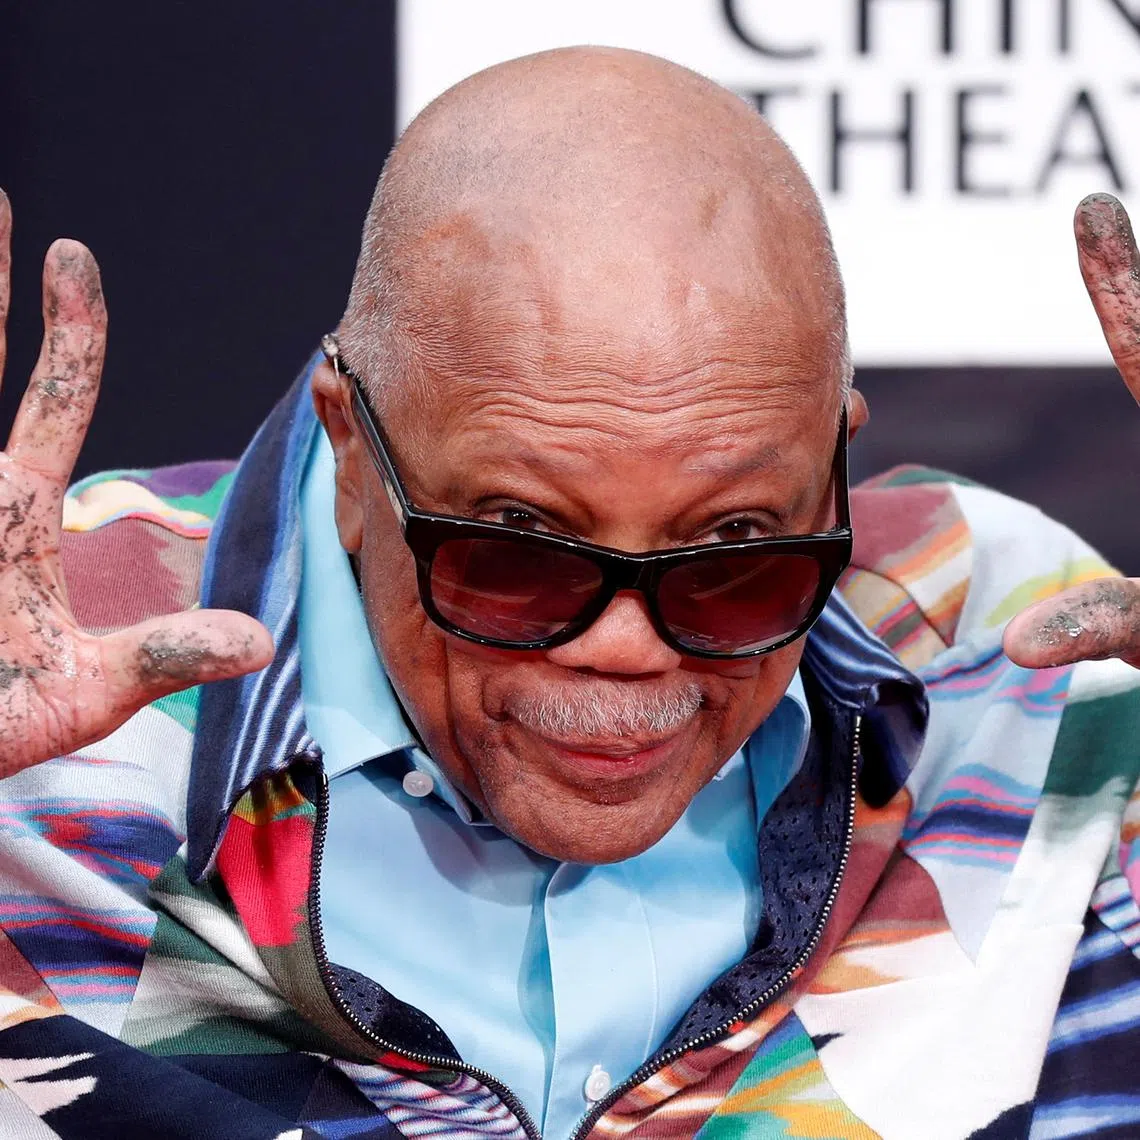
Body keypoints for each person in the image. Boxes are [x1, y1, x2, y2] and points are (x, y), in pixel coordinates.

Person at [0, 45, 1136, 1140]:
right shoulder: (50, 696)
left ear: (831, 462)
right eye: (517, 546)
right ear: (351, 448)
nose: (629, 651)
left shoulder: (1021, 665)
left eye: (737, 551)